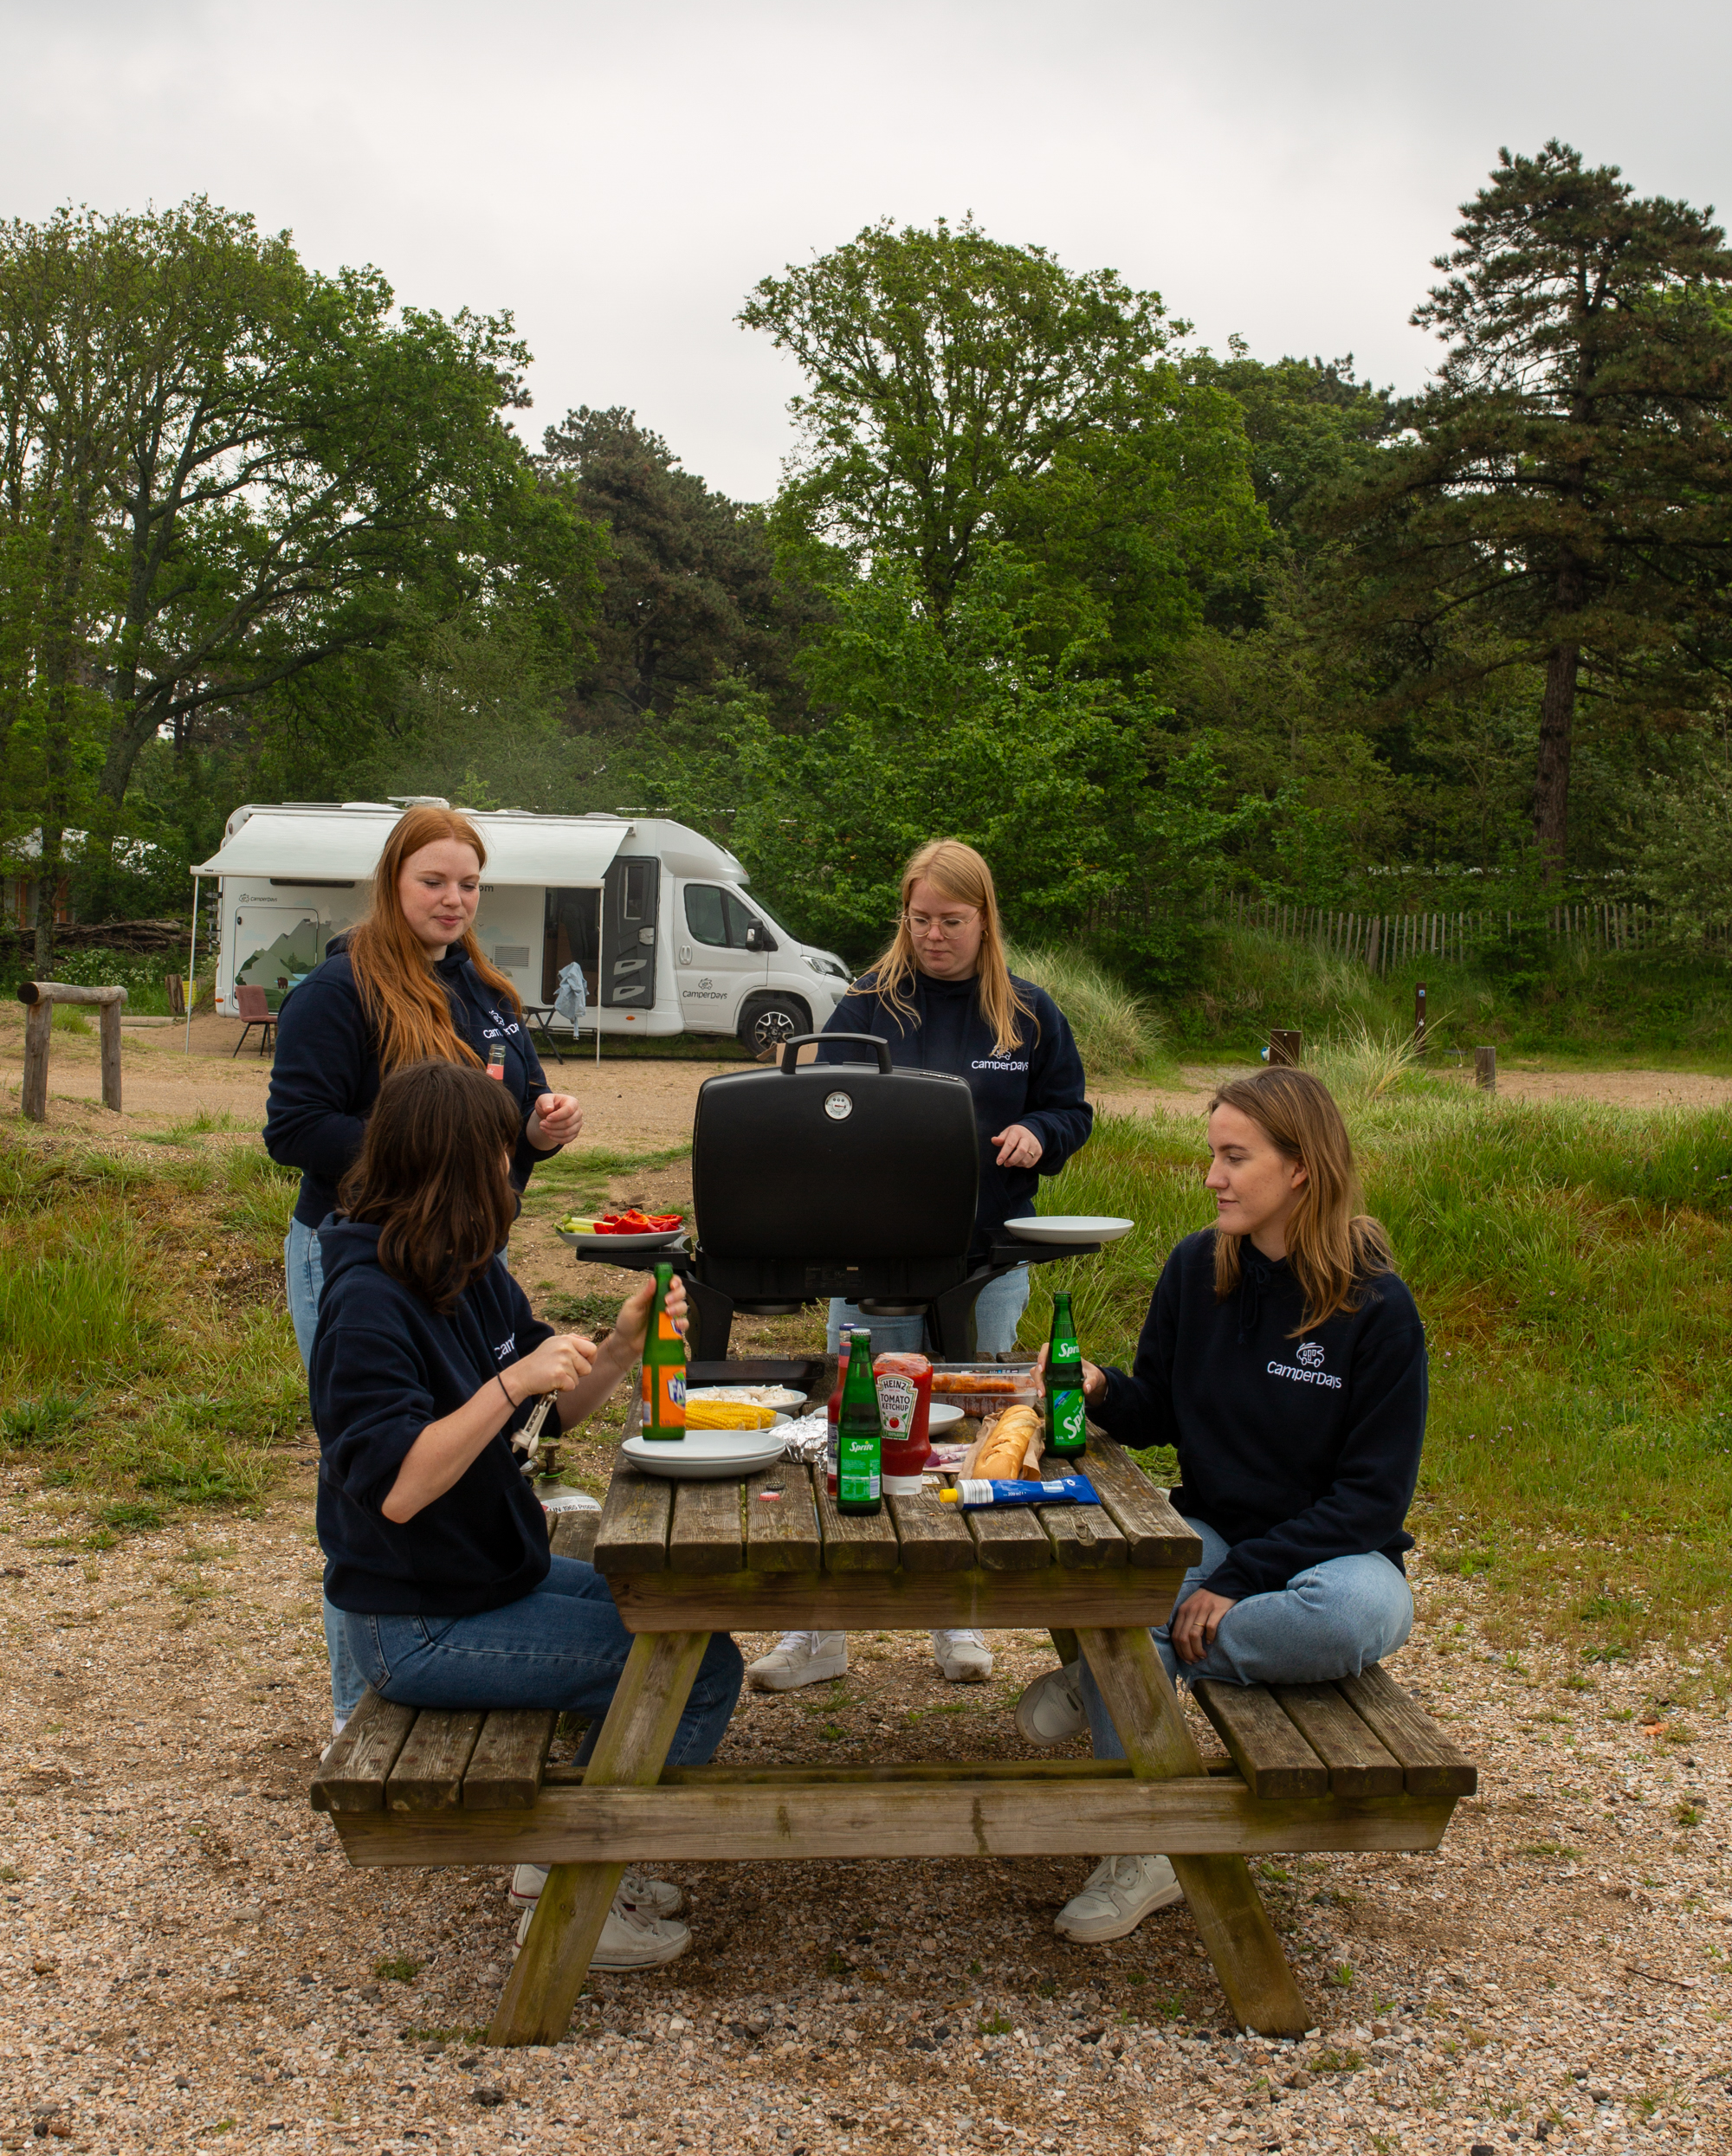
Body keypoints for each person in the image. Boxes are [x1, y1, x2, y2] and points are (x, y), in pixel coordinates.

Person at [311, 1057, 743, 1972]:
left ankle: (570, 1847)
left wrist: (621, 1346)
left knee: (686, 1628)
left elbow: (542, 1421)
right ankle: (574, 1880)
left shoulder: (460, 1268)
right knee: (696, 1669)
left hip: (493, 1573)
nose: (512, 1179)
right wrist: (510, 1380)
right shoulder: (365, 1305)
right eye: (499, 1161)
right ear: (448, 1172)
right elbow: (399, 1486)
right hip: (418, 1621)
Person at [1016, 1066, 1426, 1946]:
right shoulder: (1196, 1268)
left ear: (1300, 1168)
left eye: (1234, 1158)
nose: (1212, 1177)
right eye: (1213, 1155)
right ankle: (1142, 1850)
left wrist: (1237, 1581)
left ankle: (1114, 1674)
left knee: (1352, 1618)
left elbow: (1370, 1499)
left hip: (1332, 1559)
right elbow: (1159, 1409)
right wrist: (1095, 1388)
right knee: (1109, 1582)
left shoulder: (1376, 1308)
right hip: (1208, 1534)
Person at [264, 803, 585, 1730]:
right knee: (368, 1479)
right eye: (433, 881)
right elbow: (292, 1129)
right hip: (358, 1251)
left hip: (462, 1246)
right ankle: (353, 1713)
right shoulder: (339, 990)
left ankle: (476, 1648)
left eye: (469, 884)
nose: (454, 900)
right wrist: (424, 1156)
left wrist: (536, 1130)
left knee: (467, 1446)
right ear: (392, 883)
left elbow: (497, 1124)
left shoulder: (485, 990)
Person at [746, 837, 1092, 1694]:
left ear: (984, 920)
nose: (934, 935)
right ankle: (815, 1632)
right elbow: (817, 1110)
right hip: (871, 1261)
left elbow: (1071, 1109)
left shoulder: (1029, 1012)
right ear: (902, 916)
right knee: (850, 1431)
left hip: (984, 1260)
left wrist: (1039, 1136)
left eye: (952, 920)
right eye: (920, 918)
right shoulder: (867, 1004)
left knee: (971, 1438)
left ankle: (958, 1617)